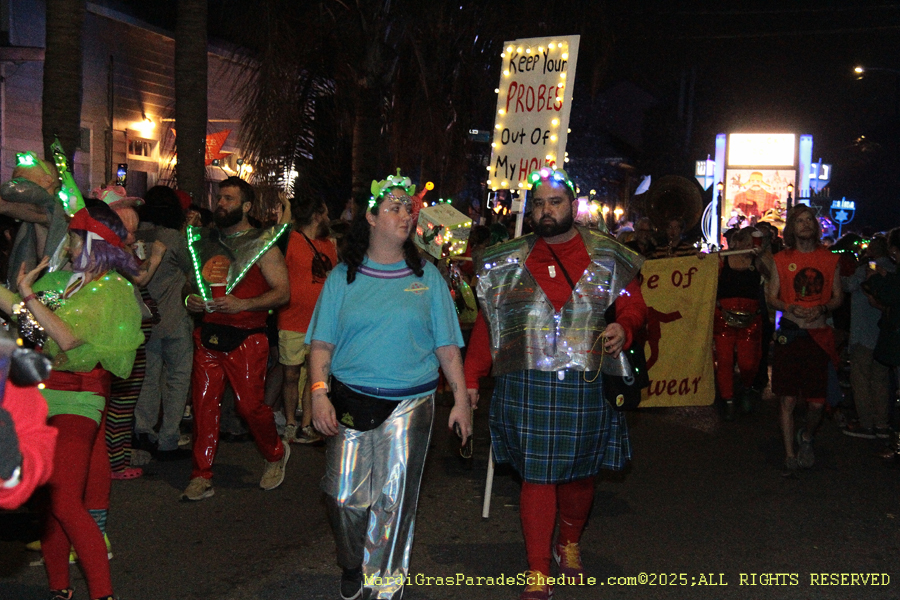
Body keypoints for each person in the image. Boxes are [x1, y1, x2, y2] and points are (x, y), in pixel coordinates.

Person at [464, 167, 647, 600]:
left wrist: (626, 327)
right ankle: (538, 568)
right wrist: (470, 378)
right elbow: (489, 326)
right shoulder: (504, 259)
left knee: (581, 476)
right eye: (539, 204)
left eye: (555, 202)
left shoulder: (608, 255)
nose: (547, 211)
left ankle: (569, 542)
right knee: (539, 476)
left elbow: (634, 305)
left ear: (573, 205)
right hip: (526, 383)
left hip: (585, 381)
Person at [308, 171, 471, 600]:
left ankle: (384, 588)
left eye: (409, 208)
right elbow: (321, 344)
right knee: (343, 498)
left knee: (393, 504)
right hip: (349, 401)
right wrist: (318, 393)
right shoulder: (342, 278)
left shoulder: (429, 279)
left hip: (411, 403)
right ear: (372, 217)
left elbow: (448, 347)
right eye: (394, 207)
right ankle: (351, 562)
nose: (405, 214)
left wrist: (461, 401)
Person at [0, 203, 143, 600]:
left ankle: (102, 593)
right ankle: (60, 589)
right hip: (44, 397)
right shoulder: (62, 280)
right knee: (50, 504)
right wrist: (16, 298)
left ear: (94, 242)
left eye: (77, 238)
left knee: (64, 500)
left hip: (80, 400)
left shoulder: (113, 289)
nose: (69, 244)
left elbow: (66, 338)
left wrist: (28, 295)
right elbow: (29, 330)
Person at [182, 177, 291, 501]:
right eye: (220, 198)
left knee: (249, 407)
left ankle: (275, 452)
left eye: (229, 199)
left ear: (246, 206)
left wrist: (244, 304)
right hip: (209, 335)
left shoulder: (262, 243)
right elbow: (189, 288)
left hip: (248, 338)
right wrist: (192, 302)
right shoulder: (205, 242)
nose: (221, 204)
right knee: (202, 406)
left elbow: (282, 293)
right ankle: (201, 475)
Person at [766, 205, 841, 474]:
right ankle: (789, 455)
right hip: (791, 333)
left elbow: (837, 297)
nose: (805, 224)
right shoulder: (781, 259)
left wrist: (822, 308)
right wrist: (788, 307)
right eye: (799, 221)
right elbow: (771, 296)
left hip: (817, 337)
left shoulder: (830, 259)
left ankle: (806, 436)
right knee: (787, 399)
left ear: (815, 226)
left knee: (817, 403)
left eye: (809, 220)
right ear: (792, 228)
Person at [132, 186, 195, 461]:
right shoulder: (173, 237)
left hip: (144, 320)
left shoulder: (136, 237)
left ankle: (143, 430)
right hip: (174, 318)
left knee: (147, 379)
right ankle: (168, 437)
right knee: (178, 378)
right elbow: (192, 271)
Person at [278, 194, 337, 444]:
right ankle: (290, 422)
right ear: (316, 215)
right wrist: (288, 208)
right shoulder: (290, 241)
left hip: (321, 324)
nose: (328, 219)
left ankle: (306, 425)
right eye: (324, 213)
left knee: (315, 377)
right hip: (292, 320)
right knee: (290, 375)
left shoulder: (329, 245)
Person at [842, 236, 893, 439]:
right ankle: (881, 424)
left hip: (863, 333)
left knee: (861, 379)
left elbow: (848, 285)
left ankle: (867, 423)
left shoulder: (868, 268)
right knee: (880, 381)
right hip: (884, 333)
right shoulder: (893, 268)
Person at [714, 227, 767, 420]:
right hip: (723, 318)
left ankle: (746, 388)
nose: (748, 245)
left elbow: (770, 275)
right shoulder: (722, 259)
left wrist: (759, 258)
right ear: (737, 242)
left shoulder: (756, 261)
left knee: (748, 362)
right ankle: (727, 399)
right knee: (725, 360)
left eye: (752, 242)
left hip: (750, 319)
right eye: (745, 241)